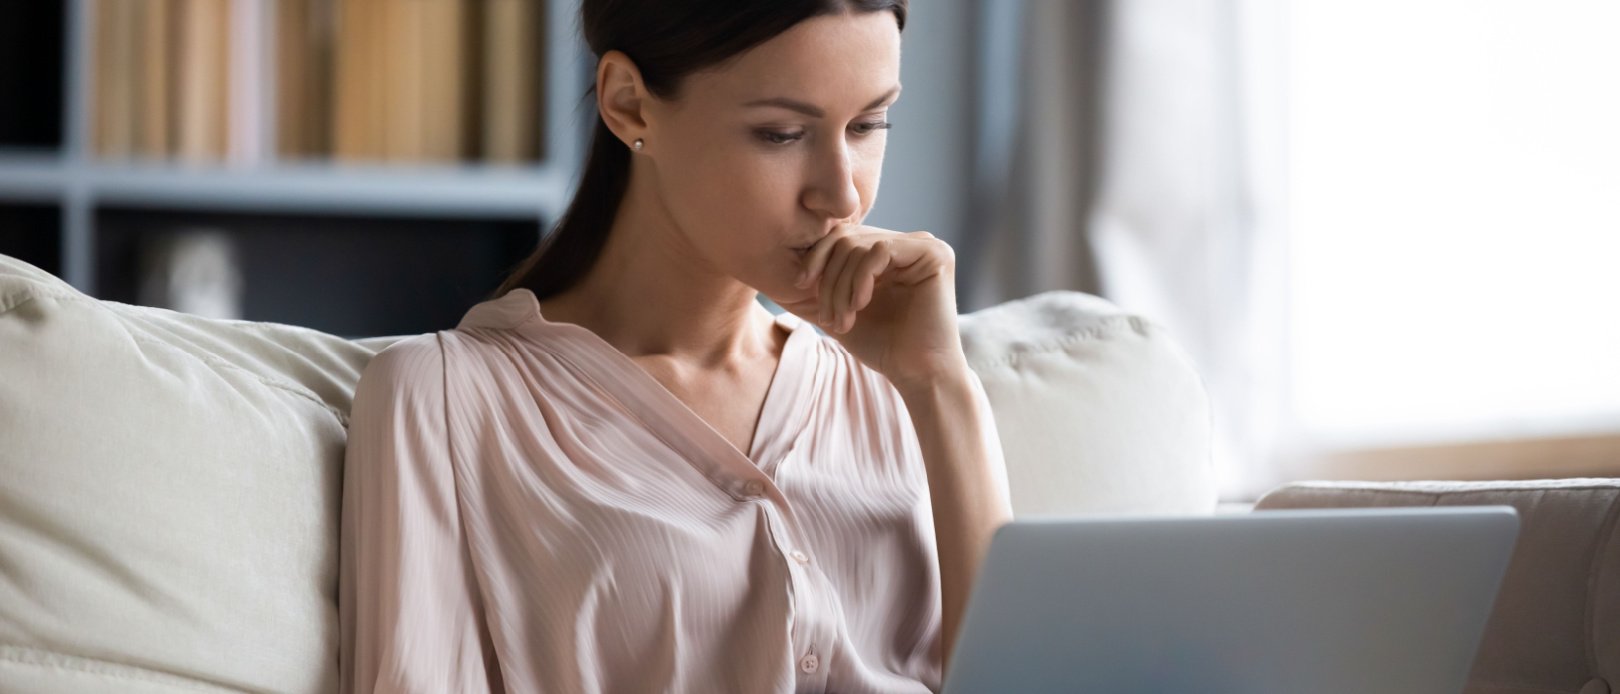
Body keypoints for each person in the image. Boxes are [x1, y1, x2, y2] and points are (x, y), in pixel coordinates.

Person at [338, 1, 1012, 691]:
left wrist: (940, 386)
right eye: (782, 134)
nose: (841, 194)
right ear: (629, 104)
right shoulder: (447, 400)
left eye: (869, 124)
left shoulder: (892, 390)